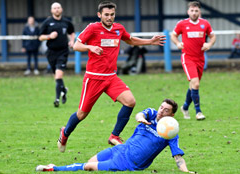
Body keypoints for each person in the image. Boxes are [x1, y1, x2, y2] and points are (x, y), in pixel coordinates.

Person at [56, 1, 166, 153]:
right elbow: (76, 45)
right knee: (82, 114)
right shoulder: (93, 28)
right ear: (99, 15)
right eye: (106, 15)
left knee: (130, 102)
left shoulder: (118, 28)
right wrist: (90, 47)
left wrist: (150, 42)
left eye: (112, 14)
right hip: (94, 78)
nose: (109, 17)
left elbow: (130, 40)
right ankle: (65, 133)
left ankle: (114, 136)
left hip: (111, 77)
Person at [36, 99, 196, 173]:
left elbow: (177, 157)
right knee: (90, 164)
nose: (161, 111)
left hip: (130, 162)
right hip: (120, 149)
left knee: (88, 166)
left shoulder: (170, 132)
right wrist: (141, 119)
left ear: (172, 114)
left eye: (166, 110)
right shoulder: (151, 113)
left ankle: (53, 168)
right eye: (161, 107)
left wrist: (186, 171)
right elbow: (140, 114)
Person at [171, 1, 216, 120]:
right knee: (196, 84)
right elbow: (173, 35)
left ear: (199, 12)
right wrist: (177, 43)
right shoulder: (182, 24)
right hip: (188, 58)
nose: (194, 13)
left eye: (196, 11)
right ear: (188, 11)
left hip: (200, 59)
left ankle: (185, 107)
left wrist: (209, 44)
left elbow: (213, 36)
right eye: (192, 10)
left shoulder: (205, 23)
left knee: (193, 86)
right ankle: (198, 112)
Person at [39, 2, 75, 107]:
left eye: (58, 8)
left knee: (59, 75)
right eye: (54, 8)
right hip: (51, 52)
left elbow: (71, 32)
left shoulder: (67, 22)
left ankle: (57, 99)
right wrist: (49, 36)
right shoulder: (47, 22)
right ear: (51, 10)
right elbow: (40, 37)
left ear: (61, 9)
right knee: (57, 77)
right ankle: (63, 90)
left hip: (63, 52)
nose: (57, 10)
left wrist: (72, 41)